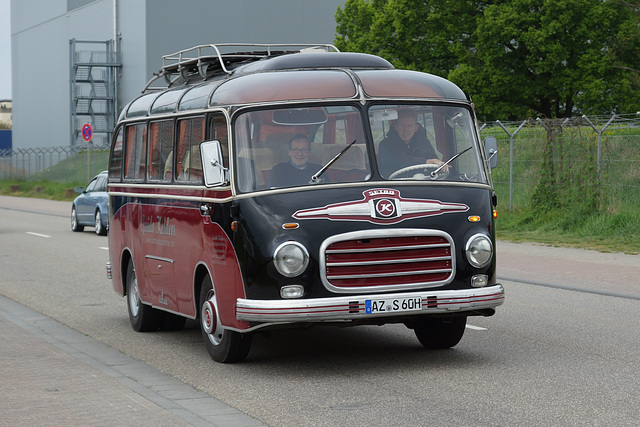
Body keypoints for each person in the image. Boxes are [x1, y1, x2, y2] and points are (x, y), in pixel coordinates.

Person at [378, 109, 447, 178]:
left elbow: (433, 160)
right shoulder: (385, 145)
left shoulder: (423, 143)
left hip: (422, 185)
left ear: (416, 128)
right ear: (396, 127)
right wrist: (426, 161)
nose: (405, 129)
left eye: (409, 125)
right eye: (402, 125)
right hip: (394, 185)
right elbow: (401, 160)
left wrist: (441, 167)